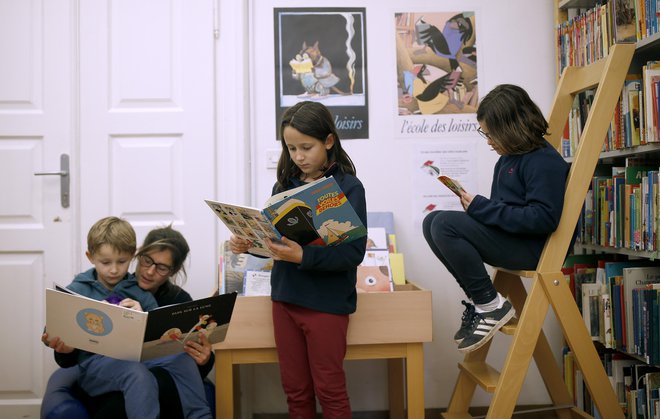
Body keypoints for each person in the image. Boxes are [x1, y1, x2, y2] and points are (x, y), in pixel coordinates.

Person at [230, 101, 367, 418]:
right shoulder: (284, 186)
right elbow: (276, 243)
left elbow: (352, 254)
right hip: (286, 299)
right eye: (291, 148)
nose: (298, 156)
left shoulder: (348, 187)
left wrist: (303, 254)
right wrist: (249, 243)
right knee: (295, 392)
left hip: (327, 305)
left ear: (329, 141)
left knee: (330, 391)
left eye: (306, 147)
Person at [422, 84, 569, 354]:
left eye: (491, 134)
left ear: (511, 127)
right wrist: (477, 210)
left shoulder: (543, 161)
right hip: (513, 241)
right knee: (432, 221)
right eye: (485, 134)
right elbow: (504, 212)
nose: (488, 141)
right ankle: (483, 304)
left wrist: (482, 209)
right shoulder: (506, 162)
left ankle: (490, 305)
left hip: (532, 249)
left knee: (443, 224)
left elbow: (543, 218)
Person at [42, 220, 213, 419]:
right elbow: (56, 328)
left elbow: (159, 333)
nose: (114, 270)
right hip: (97, 366)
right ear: (91, 257)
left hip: (138, 359)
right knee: (136, 373)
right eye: (106, 263)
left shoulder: (138, 290)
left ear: (131, 256)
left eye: (121, 262)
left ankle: (200, 416)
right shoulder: (79, 289)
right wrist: (61, 343)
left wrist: (143, 318)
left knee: (180, 359)